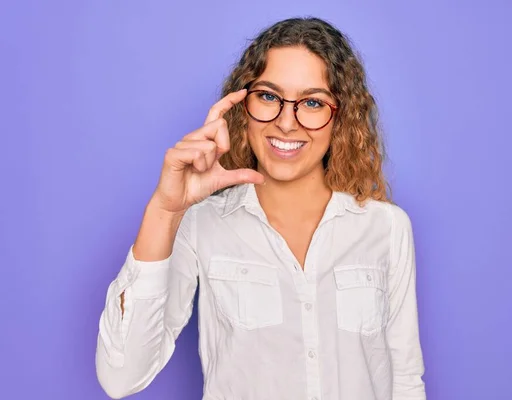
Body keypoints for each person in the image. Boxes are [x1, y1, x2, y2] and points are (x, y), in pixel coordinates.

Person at [95, 16, 426, 400]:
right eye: (269, 96)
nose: (287, 122)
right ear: (241, 105)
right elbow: (119, 377)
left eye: (313, 102)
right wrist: (166, 211)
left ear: (341, 117)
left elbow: (404, 380)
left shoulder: (386, 228)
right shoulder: (201, 224)